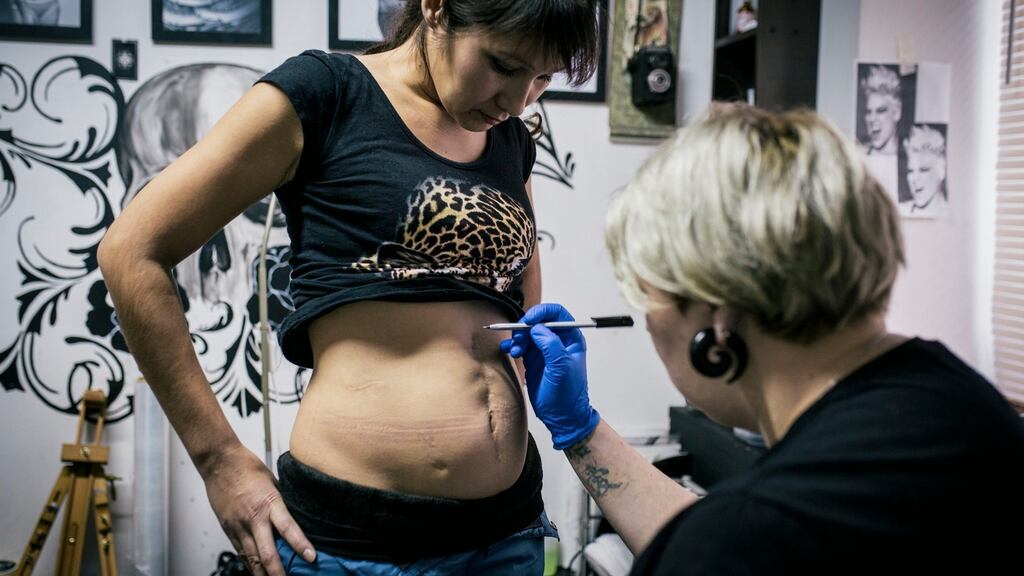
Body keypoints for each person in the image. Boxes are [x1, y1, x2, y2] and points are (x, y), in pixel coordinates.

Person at [98, 0, 599, 574]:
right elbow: (131, 252)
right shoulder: (325, 94)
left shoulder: (510, 139)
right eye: (504, 65)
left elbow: (519, 296)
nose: (519, 101)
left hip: (507, 529)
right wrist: (218, 461)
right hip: (351, 544)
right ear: (435, 7)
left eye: (543, 78)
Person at [504, 105, 1024, 574]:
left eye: (647, 297)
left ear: (717, 315)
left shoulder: (761, 534)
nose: (649, 325)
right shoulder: (958, 401)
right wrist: (580, 432)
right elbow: (711, 536)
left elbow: (724, 545)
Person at [902, 123, 948, 216]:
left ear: (941, 171)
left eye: (923, 170)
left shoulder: (954, 214)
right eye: (910, 171)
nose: (914, 179)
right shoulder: (899, 211)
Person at [859, 64, 902, 155]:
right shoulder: (858, 155)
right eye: (868, 112)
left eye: (880, 111)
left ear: (896, 113)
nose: (872, 118)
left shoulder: (910, 159)